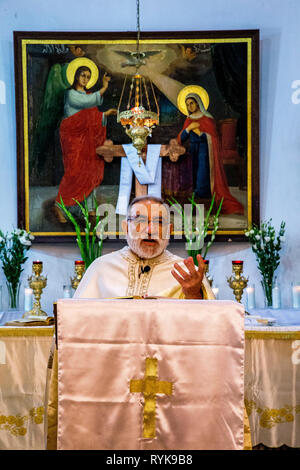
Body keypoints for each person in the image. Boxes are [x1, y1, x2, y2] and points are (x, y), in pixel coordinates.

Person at [46, 196, 251, 450]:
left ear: (171, 230)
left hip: (172, 388)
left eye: (160, 222)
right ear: (126, 228)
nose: (151, 230)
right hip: (110, 386)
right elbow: (74, 333)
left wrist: (194, 294)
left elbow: (208, 343)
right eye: (141, 221)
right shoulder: (101, 269)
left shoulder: (184, 271)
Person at [54, 60, 117, 223]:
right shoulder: (71, 94)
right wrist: (103, 87)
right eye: (83, 75)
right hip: (73, 139)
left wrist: (104, 116)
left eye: (88, 77)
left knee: (90, 172)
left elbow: (93, 116)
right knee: (74, 173)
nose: (85, 79)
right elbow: (85, 105)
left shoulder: (89, 94)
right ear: (75, 76)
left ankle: (90, 209)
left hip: (88, 141)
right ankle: (60, 205)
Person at [177, 86, 244, 215]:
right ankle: (192, 199)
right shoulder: (189, 120)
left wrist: (200, 133)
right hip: (192, 151)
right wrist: (188, 128)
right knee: (190, 173)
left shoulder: (207, 119)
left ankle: (203, 199)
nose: (189, 106)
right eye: (187, 105)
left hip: (204, 151)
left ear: (198, 103)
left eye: (191, 103)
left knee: (202, 174)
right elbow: (181, 138)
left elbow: (213, 138)